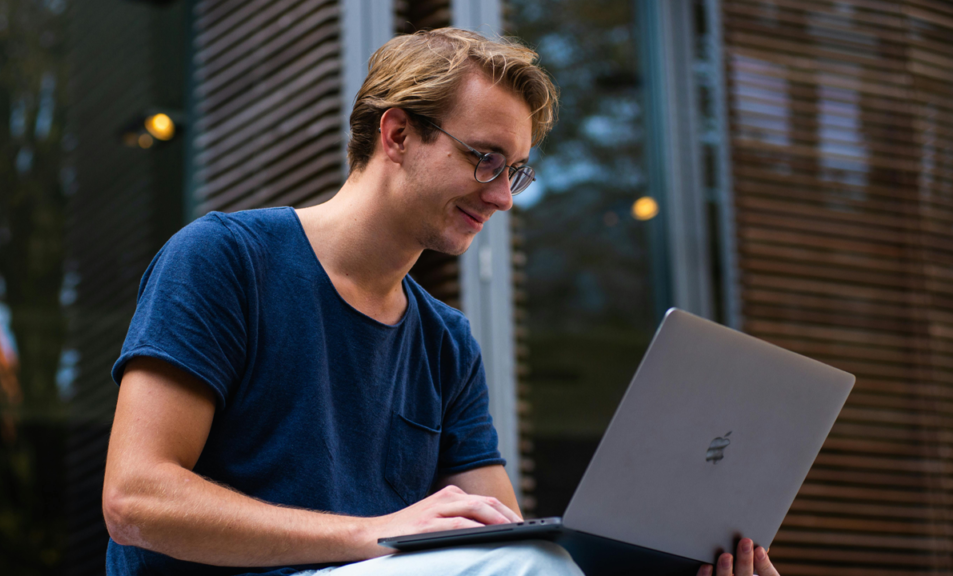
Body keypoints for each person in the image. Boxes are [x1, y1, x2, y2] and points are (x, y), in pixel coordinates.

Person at [101, 27, 781, 576]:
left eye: (515, 170)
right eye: (485, 158)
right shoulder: (226, 258)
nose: (503, 196)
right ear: (397, 136)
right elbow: (136, 500)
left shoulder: (445, 342)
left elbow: (501, 534)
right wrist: (375, 534)